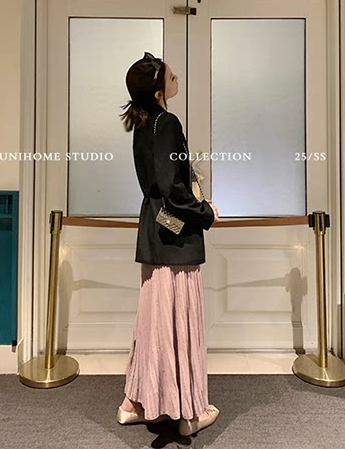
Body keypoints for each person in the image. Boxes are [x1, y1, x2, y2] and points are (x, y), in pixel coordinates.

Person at [117, 51, 220, 437]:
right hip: (174, 236)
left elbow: (157, 187)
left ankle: (137, 402)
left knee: (155, 319)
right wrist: (205, 212)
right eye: (172, 77)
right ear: (159, 90)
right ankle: (188, 413)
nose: (178, 80)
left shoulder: (143, 123)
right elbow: (172, 187)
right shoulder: (167, 122)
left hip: (154, 228)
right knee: (179, 319)